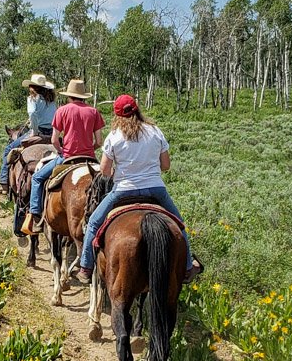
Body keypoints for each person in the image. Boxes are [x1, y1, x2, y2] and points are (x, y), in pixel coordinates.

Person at [76, 94, 202, 284]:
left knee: (93, 222)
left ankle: (86, 267)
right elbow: (166, 165)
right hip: (156, 189)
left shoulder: (114, 136)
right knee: (180, 224)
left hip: (123, 191)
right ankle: (186, 267)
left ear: (116, 115)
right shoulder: (155, 131)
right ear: (137, 109)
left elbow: (105, 171)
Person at [22, 79, 105, 235]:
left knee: (38, 178)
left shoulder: (62, 110)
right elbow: (99, 142)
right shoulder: (94, 112)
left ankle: (35, 216)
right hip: (90, 159)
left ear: (69, 96)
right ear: (83, 96)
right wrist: (88, 149)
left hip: (67, 157)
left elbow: (54, 139)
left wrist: (62, 151)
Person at [0, 74, 58, 192]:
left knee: (8, 149)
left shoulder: (32, 99)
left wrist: (34, 132)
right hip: (51, 133)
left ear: (32, 86)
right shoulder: (51, 100)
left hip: (38, 131)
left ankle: (4, 182)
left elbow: (33, 115)